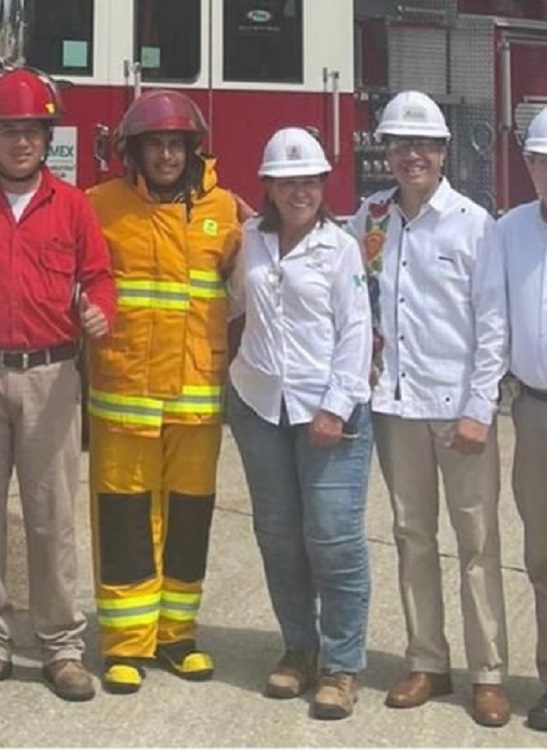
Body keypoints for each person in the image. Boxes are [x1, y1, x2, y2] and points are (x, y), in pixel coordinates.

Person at [0, 66, 116, 702]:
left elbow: (99, 278)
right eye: (8, 131)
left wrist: (102, 309)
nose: (21, 142)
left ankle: (60, 646)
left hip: (53, 375)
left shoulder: (73, 206)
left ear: (49, 139)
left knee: (52, 518)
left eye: (33, 131)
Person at [348, 90, 509, 727]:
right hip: (396, 406)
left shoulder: (474, 225)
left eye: (424, 145)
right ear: (385, 152)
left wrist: (479, 407)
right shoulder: (371, 218)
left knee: (477, 542)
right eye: (399, 143)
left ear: (444, 153)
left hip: (458, 411)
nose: (411, 154)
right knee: (412, 536)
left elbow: (491, 326)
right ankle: (427, 660)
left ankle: (488, 672)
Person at [84, 90, 241, 694]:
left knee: (189, 518)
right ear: (135, 152)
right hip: (125, 397)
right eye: (156, 145)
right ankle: (125, 643)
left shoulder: (226, 210)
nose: (168, 155)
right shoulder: (100, 206)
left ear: (192, 150)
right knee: (123, 518)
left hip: (196, 398)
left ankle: (178, 633)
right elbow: (81, 275)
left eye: (177, 145)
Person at [226, 128, 372, 719]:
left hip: (327, 410)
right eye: (288, 182)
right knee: (279, 536)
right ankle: (299, 650)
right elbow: (233, 301)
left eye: (310, 181)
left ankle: (341, 665)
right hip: (260, 404)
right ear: (268, 186)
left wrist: (336, 406)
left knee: (333, 538)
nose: (300, 191)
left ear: (322, 185)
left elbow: (356, 330)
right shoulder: (249, 240)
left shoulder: (341, 248)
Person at [491, 106, 547, 732]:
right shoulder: (508, 232)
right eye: (543, 161)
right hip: (535, 411)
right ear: (529, 165)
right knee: (543, 555)